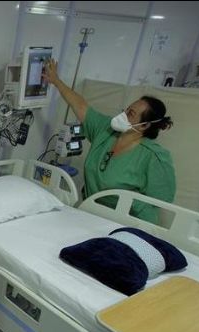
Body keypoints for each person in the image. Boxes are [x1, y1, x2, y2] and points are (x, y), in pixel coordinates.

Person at [42, 58, 176, 224]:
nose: (123, 115)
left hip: (130, 223)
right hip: (93, 214)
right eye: (126, 109)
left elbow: (162, 199)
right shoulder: (106, 130)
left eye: (131, 114)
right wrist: (56, 81)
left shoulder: (154, 157)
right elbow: (81, 106)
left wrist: (130, 206)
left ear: (145, 125)